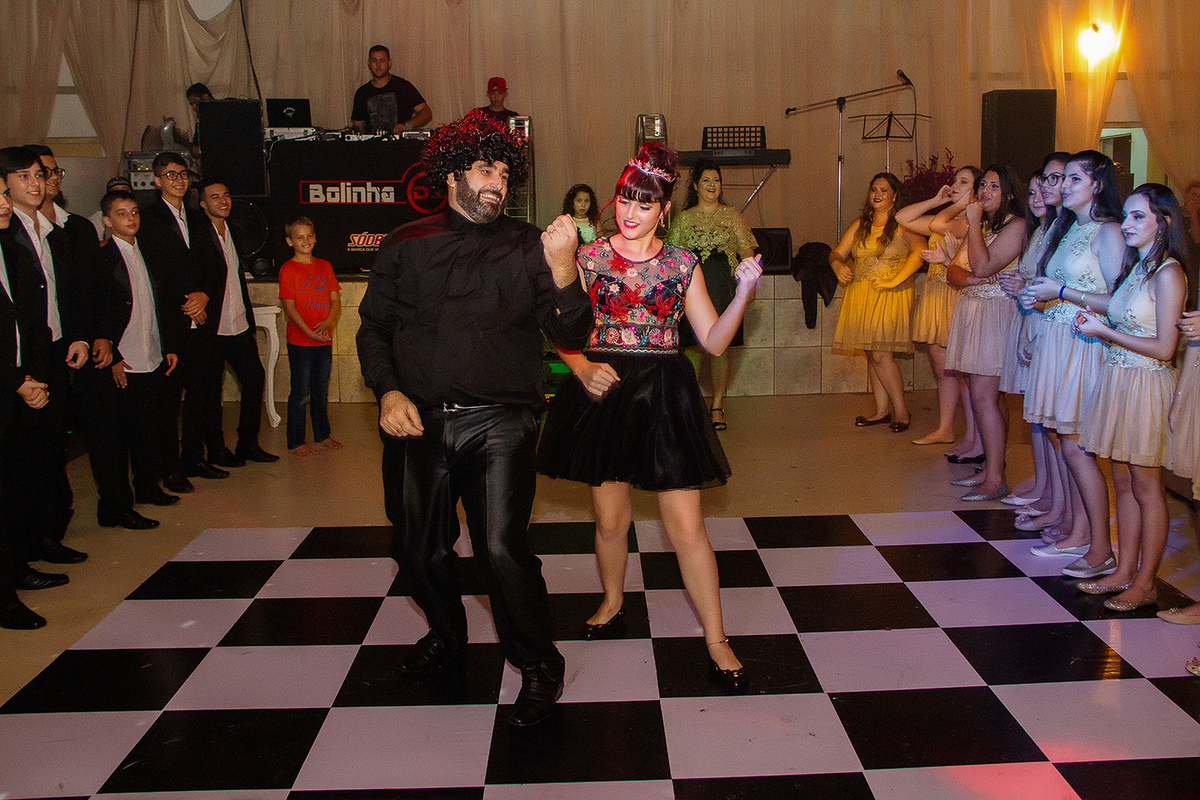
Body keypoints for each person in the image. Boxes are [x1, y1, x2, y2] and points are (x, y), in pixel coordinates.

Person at [356, 110, 593, 727]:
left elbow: (573, 333)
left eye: (505, 174)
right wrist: (387, 393)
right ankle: (447, 633)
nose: (497, 183)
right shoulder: (405, 244)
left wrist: (564, 270)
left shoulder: (530, 245)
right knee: (417, 550)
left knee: (499, 551)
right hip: (417, 422)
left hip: (501, 422)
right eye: (486, 170)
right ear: (452, 173)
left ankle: (539, 666)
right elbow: (373, 330)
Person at [537, 143, 763, 693]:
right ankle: (613, 600)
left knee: (687, 528)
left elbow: (713, 342)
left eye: (644, 203)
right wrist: (580, 366)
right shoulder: (587, 258)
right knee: (610, 521)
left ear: (664, 210)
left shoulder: (682, 264)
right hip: (606, 394)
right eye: (624, 199)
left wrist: (744, 294)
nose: (630, 212)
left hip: (665, 397)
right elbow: (557, 326)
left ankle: (716, 637)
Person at [1070, 184, 1186, 612]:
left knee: (1146, 485)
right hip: (1119, 378)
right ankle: (1123, 570)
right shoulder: (1138, 267)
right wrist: (1094, 320)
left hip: (1146, 384)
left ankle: (1145, 582)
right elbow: (1125, 320)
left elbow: (1165, 348)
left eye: (1138, 217)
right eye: (1127, 216)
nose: (1127, 224)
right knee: (1122, 480)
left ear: (1164, 222)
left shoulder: (1169, 273)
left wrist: (1104, 331)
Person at [1020, 150, 1126, 579]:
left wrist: (1061, 293)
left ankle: (1100, 547)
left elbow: (1119, 302)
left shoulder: (1109, 232)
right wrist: (1039, 297)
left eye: (1073, 179)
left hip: (1084, 344)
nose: (1063, 186)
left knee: (1077, 447)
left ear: (1097, 185)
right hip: (1058, 339)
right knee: (1065, 443)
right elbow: (1058, 286)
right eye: (1062, 179)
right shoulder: (1069, 228)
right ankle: (1080, 530)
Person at [0, 146, 88, 568]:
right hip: (19, 359)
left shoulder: (51, 229)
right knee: (22, 459)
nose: (35, 183)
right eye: (23, 177)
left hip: (54, 348)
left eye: (39, 175)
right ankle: (24, 549)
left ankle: (45, 537)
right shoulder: (7, 232)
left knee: (51, 450)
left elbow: (65, 293)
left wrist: (78, 336)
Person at [84, 189, 180, 530]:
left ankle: (147, 486)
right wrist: (111, 356)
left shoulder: (147, 252)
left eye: (135, 211)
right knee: (114, 439)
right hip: (120, 361)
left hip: (151, 353)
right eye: (122, 213)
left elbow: (158, 305)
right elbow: (94, 310)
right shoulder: (101, 258)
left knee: (146, 428)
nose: (131, 218)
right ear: (107, 220)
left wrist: (167, 345)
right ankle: (115, 507)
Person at [934, 165, 1026, 501]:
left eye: (994, 186)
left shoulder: (1016, 226)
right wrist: (973, 278)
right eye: (983, 184)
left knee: (984, 397)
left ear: (1010, 194)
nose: (985, 191)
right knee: (986, 398)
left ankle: (996, 478)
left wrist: (973, 225)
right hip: (975, 311)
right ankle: (990, 469)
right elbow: (954, 271)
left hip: (995, 316)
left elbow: (984, 264)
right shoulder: (988, 227)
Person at [137, 152, 213, 490]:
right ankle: (169, 468)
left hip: (201, 320)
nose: (179, 180)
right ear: (157, 181)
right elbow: (153, 274)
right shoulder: (147, 219)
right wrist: (187, 304)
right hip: (170, 323)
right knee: (168, 402)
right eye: (170, 175)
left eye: (183, 174)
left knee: (200, 394)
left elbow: (213, 265)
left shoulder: (198, 218)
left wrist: (204, 296)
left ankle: (194, 457)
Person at [666, 159, 758, 430]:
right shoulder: (683, 219)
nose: (712, 185)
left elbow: (747, 253)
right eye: (706, 180)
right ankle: (690, 407)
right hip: (693, 290)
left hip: (724, 289)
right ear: (695, 186)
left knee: (720, 348)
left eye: (716, 180)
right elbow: (671, 258)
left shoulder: (733, 216)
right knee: (693, 348)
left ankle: (717, 405)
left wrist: (749, 287)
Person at [829, 172, 925, 432]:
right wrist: (837, 265)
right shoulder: (861, 224)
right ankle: (882, 411)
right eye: (874, 189)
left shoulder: (903, 224)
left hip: (891, 293)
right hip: (862, 293)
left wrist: (894, 281)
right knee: (872, 352)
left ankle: (902, 411)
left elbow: (920, 253)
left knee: (881, 353)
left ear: (895, 196)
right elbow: (836, 253)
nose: (878, 194)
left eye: (884, 190)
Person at [192, 181, 277, 467]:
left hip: (238, 322)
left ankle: (248, 443)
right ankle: (216, 449)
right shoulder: (198, 236)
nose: (223, 201)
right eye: (215, 197)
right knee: (210, 392)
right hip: (212, 327)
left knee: (254, 378)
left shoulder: (234, 232)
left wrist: (248, 322)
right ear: (203, 204)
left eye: (226, 195)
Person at [898, 166, 983, 451]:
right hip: (935, 294)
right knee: (943, 369)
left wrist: (959, 203)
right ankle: (945, 428)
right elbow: (903, 218)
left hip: (955, 296)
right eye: (955, 180)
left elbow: (937, 224)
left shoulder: (969, 223)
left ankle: (974, 435)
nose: (955, 184)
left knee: (964, 373)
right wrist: (937, 200)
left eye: (963, 182)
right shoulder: (947, 219)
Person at [0, 172, 52, 628]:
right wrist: (15, 380)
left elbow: (30, 321)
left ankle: (16, 570)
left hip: (19, 387)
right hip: (9, 385)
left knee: (14, 489)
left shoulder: (10, 251)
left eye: (3, 194)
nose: (4, 203)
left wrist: (31, 376)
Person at [279, 216, 341, 456]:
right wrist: (309, 333)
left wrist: (328, 321)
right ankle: (296, 442)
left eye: (309, 236)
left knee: (320, 390)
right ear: (290, 242)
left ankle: (322, 435)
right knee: (300, 392)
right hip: (301, 342)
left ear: (314, 237)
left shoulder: (325, 266)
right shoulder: (288, 269)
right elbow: (289, 307)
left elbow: (335, 300)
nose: (305, 241)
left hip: (323, 339)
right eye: (299, 237)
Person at [351, 45, 432, 134]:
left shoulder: (403, 86)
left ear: (389, 63)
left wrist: (407, 125)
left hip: (401, 142)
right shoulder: (362, 92)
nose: (378, 65)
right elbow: (358, 126)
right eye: (374, 60)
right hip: (372, 142)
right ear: (368, 63)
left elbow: (426, 113)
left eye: (382, 60)